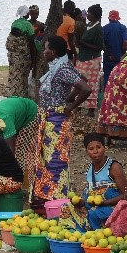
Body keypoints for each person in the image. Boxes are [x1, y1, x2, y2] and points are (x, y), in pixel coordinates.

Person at [31, 36, 91, 206]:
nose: (44, 52)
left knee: (55, 160)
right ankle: (47, 197)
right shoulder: (60, 66)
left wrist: (70, 106)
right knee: (47, 159)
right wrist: (69, 97)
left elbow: (85, 88)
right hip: (50, 119)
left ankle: (56, 199)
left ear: (54, 52)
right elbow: (82, 79)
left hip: (56, 122)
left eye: (46, 49)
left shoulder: (62, 69)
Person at [59, 133, 127, 231]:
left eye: (99, 147)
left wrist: (105, 202)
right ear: (87, 151)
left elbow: (126, 194)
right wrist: (79, 202)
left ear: (104, 148)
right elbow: (91, 194)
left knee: (93, 212)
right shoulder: (89, 169)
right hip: (94, 206)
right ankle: (75, 236)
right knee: (66, 207)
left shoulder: (114, 167)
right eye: (91, 149)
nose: (95, 152)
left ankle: (99, 237)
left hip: (113, 207)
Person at [76, 4, 104, 117]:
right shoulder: (88, 25)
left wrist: (84, 44)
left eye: (90, 13)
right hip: (83, 58)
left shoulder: (98, 29)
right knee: (79, 82)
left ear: (95, 15)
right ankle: (78, 106)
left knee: (91, 84)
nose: (87, 15)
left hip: (92, 60)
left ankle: (91, 110)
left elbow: (99, 47)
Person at [6, 5, 36, 98]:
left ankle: (11, 94)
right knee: (23, 76)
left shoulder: (14, 23)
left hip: (12, 56)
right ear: (27, 14)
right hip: (23, 56)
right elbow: (31, 42)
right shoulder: (28, 25)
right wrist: (33, 58)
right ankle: (21, 95)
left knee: (13, 74)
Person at [102, 10, 127, 86]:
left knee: (107, 78)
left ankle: (106, 96)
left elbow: (102, 44)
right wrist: (123, 54)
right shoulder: (122, 28)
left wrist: (109, 55)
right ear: (118, 18)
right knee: (119, 79)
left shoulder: (104, 28)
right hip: (119, 58)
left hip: (108, 59)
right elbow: (125, 43)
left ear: (109, 18)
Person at [28, 4, 46, 99]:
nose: (36, 15)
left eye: (37, 13)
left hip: (38, 51)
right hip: (29, 51)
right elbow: (29, 37)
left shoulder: (40, 24)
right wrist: (38, 29)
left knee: (36, 71)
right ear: (30, 13)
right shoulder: (28, 24)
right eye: (34, 13)